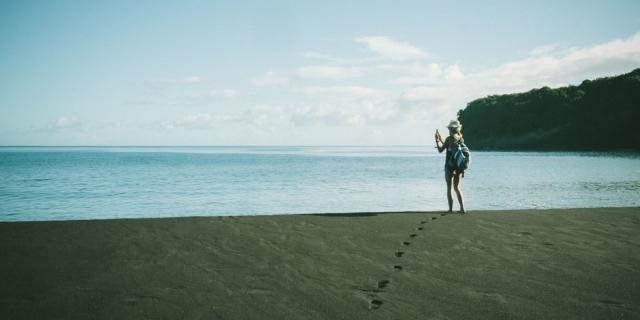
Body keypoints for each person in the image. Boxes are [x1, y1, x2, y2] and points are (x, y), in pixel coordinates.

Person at [435, 120, 468, 213]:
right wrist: (442, 140)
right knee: (457, 188)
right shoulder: (460, 137)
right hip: (458, 166)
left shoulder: (449, 138)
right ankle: (462, 208)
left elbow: (441, 150)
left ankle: (450, 209)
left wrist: (437, 141)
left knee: (449, 188)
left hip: (449, 166)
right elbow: (451, 147)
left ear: (451, 128)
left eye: (449, 128)